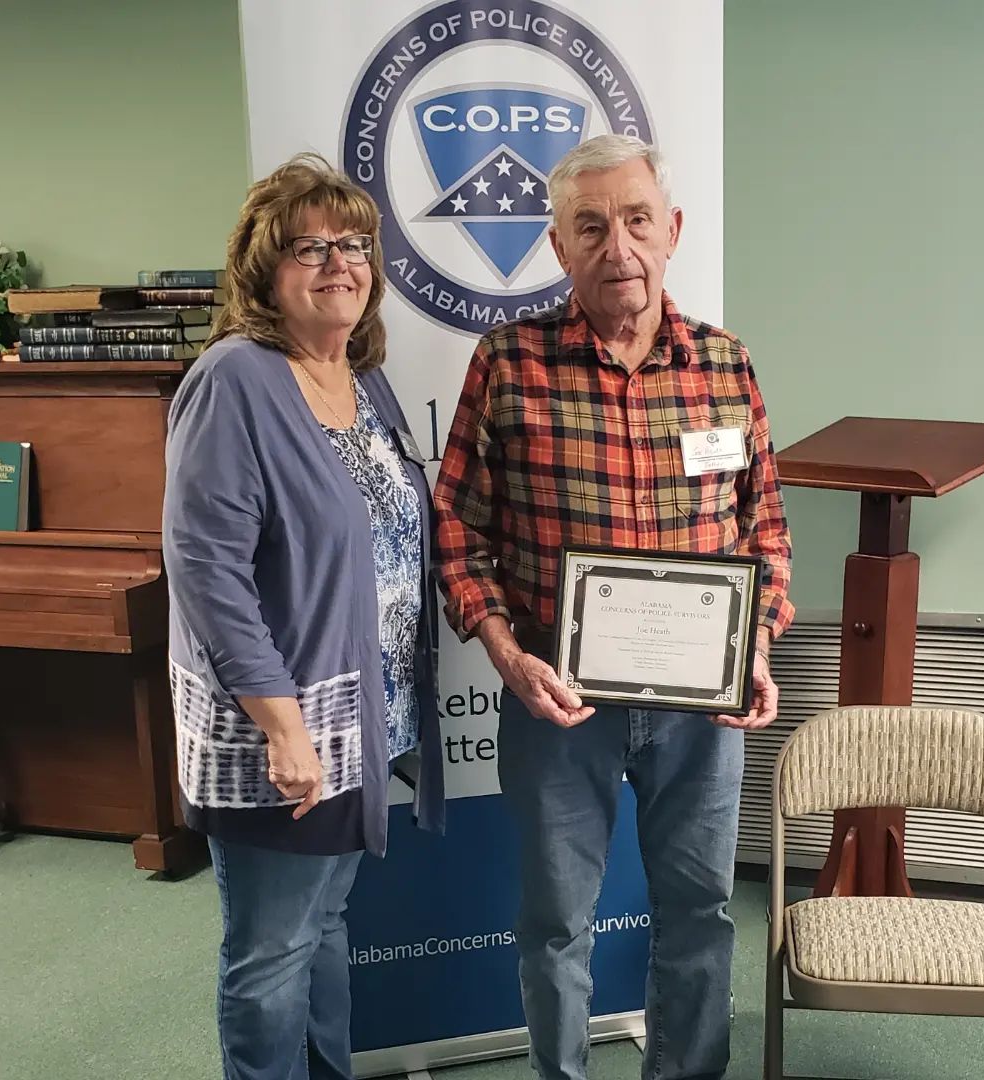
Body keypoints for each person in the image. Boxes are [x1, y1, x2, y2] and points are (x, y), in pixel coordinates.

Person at [433, 134, 793, 1080]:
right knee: (556, 922)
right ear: (558, 246)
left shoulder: (726, 365)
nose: (618, 247)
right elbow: (457, 529)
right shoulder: (508, 364)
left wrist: (756, 643)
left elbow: (765, 531)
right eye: (590, 227)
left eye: (637, 221)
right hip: (559, 702)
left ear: (672, 230)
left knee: (701, 912)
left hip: (699, 710)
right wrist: (507, 656)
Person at [162, 152, 444, 1080]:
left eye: (353, 244)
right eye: (308, 248)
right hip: (282, 729)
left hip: (361, 716)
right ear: (264, 271)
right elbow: (207, 570)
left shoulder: (362, 376)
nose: (338, 263)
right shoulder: (235, 379)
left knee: (324, 925)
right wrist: (283, 726)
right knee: (271, 953)